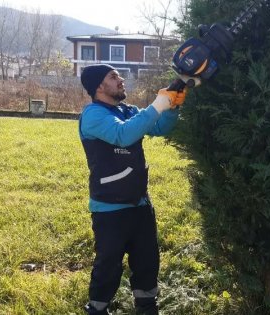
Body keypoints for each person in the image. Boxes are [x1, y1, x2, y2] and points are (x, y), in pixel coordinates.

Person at [78, 64, 188, 315]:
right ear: (98, 86)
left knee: (147, 261)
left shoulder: (128, 110)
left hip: (140, 205)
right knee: (108, 265)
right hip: (109, 207)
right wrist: (159, 103)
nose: (121, 80)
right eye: (113, 76)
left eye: (119, 75)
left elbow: (160, 128)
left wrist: (172, 107)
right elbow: (122, 135)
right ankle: (97, 308)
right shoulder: (93, 115)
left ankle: (147, 307)